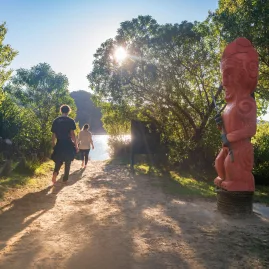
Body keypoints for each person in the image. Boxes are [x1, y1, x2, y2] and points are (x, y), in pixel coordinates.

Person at [51, 104, 79, 184]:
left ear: (61, 110)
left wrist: (53, 144)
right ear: (68, 111)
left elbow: (53, 134)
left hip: (59, 143)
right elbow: (72, 134)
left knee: (58, 160)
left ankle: (55, 172)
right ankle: (65, 179)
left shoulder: (56, 120)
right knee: (68, 161)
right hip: (68, 143)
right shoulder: (70, 120)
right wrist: (76, 145)